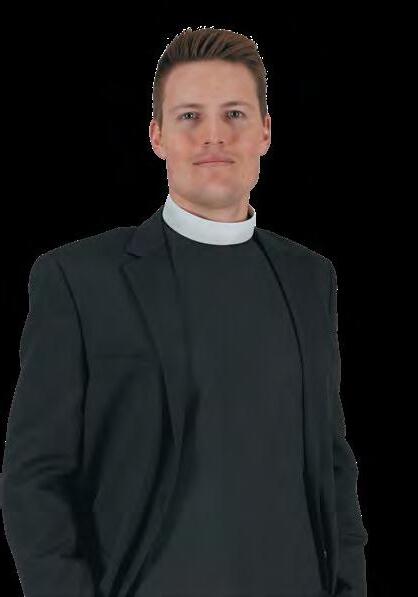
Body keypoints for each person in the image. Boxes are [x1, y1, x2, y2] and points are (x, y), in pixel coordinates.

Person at [1, 26, 368, 597]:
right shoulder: (80, 280)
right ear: (157, 135)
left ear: (265, 131)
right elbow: (35, 478)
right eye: (190, 116)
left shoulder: (310, 279)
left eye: (235, 114)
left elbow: (332, 462)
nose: (214, 135)